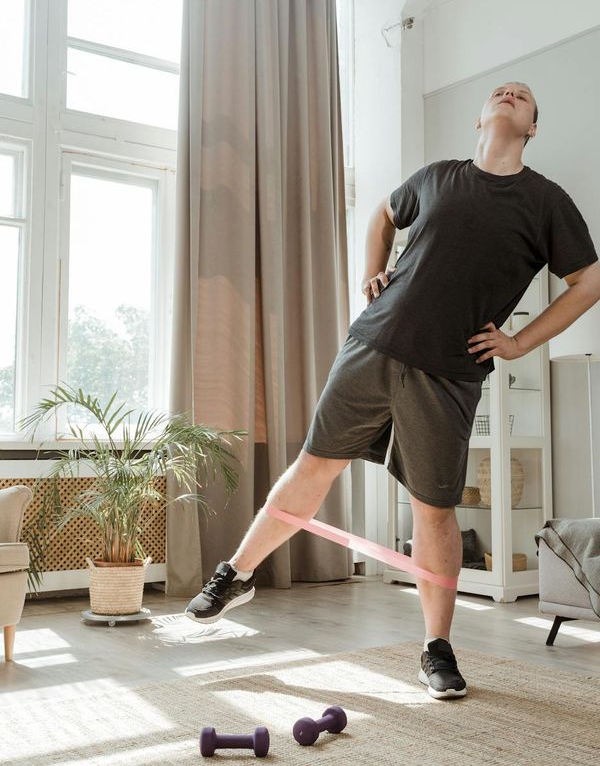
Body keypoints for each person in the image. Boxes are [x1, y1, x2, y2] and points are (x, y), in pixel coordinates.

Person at [185, 81, 600, 700]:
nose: (510, 93)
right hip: (372, 346)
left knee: (434, 508)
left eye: (523, 98)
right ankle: (236, 573)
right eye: (500, 91)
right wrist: (368, 271)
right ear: (479, 118)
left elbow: (587, 282)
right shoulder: (435, 177)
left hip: (448, 373)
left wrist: (518, 343)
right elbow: (382, 214)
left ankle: (437, 649)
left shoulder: (546, 201)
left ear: (533, 128)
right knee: (313, 468)